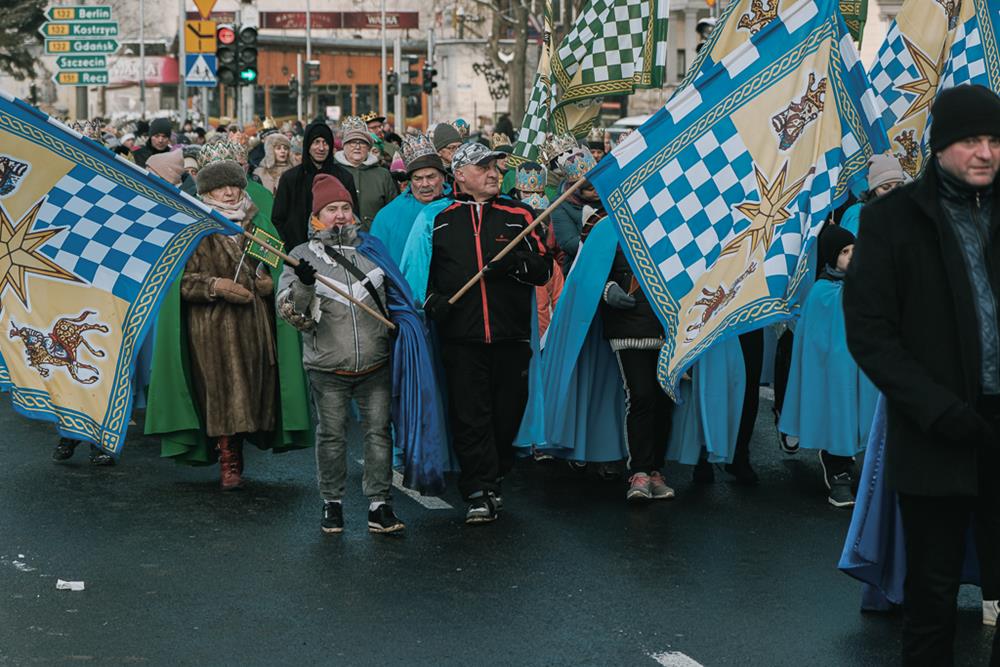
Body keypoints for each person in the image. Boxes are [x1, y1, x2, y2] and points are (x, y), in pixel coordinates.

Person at [844, 84, 1000, 665]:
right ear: (939, 146)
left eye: (995, 140)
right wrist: (937, 410)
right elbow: (871, 333)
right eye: (970, 140)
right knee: (932, 602)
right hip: (935, 435)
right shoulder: (891, 219)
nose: (985, 152)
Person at [277, 174, 446, 533]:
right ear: (316, 216)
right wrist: (304, 285)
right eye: (331, 209)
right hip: (327, 367)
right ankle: (332, 503)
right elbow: (292, 314)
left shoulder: (372, 250)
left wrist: (405, 325)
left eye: (345, 208)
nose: (340, 215)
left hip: (375, 363)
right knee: (331, 437)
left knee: (379, 435)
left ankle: (379, 505)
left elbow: (397, 299)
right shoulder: (300, 256)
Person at [145, 158, 312, 489]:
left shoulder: (257, 222)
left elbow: (276, 265)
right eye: (220, 187)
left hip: (255, 324)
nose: (229, 192)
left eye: (234, 185)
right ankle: (228, 458)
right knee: (220, 394)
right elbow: (177, 281)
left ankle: (239, 446)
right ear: (207, 192)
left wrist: (270, 283)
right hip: (211, 329)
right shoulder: (194, 226)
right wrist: (214, 286)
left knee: (255, 391)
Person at [423, 143, 552, 524]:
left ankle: (495, 473)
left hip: (511, 336)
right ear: (460, 175)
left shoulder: (519, 214)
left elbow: (544, 269)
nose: (494, 174)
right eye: (483, 168)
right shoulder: (440, 219)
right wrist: (433, 302)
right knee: (470, 416)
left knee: (505, 416)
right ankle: (479, 489)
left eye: (496, 167)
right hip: (461, 338)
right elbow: (422, 274)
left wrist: (515, 263)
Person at [779, 225, 877, 507]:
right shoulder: (821, 292)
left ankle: (858, 466)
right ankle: (838, 472)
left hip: (863, 366)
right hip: (834, 370)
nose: (852, 256)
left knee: (863, 416)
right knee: (839, 415)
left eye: (855, 250)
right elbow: (815, 342)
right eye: (844, 252)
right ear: (831, 256)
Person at [272, 120, 359, 251]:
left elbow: (353, 216)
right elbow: (278, 219)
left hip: (337, 251)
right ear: (308, 145)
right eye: (316, 142)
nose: (321, 148)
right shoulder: (290, 179)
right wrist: (290, 250)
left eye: (325, 142)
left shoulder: (344, 177)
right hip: (297, 253)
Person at [370, 133, 449, 265]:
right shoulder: (388, 216)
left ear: (443, 177)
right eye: (418, 179)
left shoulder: (459, 205)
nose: (425, 184)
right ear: (410, 181)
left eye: (431, 177)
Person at [333, 116, 397, 231]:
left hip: (375, 236)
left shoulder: (383, 175)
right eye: (352, 142)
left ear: (368, 147)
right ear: (344, 145)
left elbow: (393, 211)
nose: (357, 147)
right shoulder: (332, 172)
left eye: (362, 143)